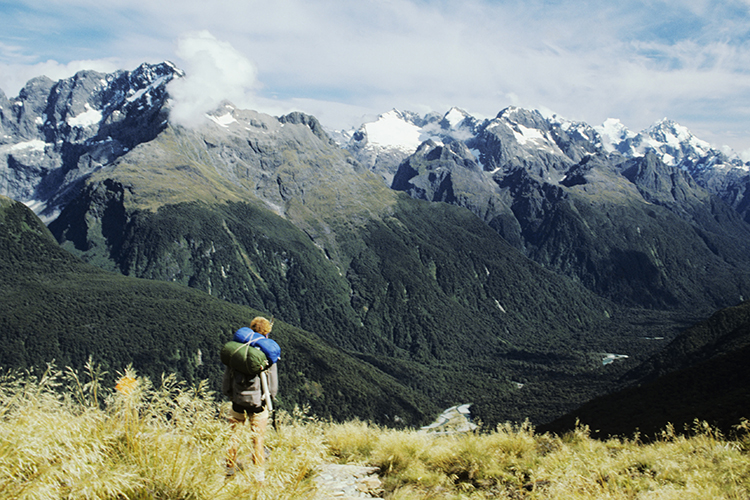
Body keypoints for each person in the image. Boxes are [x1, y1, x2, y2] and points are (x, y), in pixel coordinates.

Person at [222, 316, 278, 480]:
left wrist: (230, 394)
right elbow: (272, 384)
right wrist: (269, 399)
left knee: (234, 436)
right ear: (266, 332)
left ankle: (229, 470)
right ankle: (259, 476)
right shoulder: (267, 354)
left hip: (238, 400)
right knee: (258, 439)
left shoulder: (237, 351)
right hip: (258, 403)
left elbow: (227, 378)